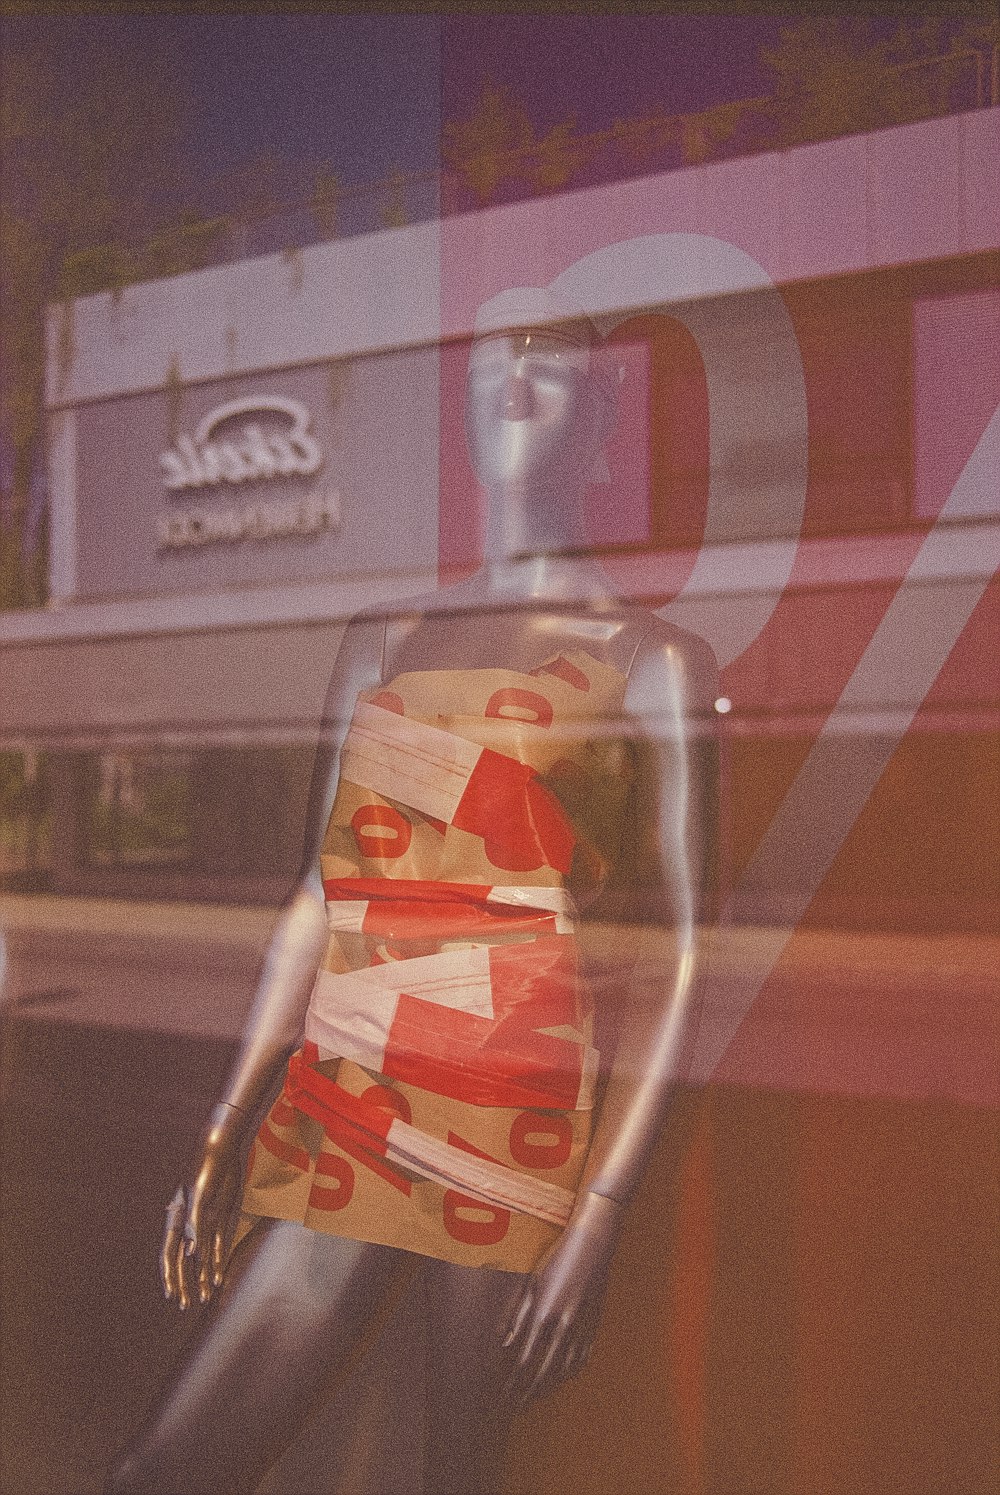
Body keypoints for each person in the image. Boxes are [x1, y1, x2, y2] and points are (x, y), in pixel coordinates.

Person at [106, 287, 719, 1495]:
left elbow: (693, 949)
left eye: (547, 369)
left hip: (518, 1123)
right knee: (161, 1470)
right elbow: (313, 898)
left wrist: (600, 1206)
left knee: (459, 1474)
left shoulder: (646, 661)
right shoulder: (381, 641)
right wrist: (230, 1118)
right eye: (490, 367)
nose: (512, 385)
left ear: (599, 434)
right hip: (352, 1105)